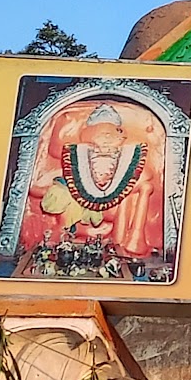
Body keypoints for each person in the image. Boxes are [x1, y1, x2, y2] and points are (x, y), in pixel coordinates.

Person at [20, 98, 167, 268]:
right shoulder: (75, 158)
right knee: (61, 194)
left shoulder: (127, 160)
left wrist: (131, 187)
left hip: (114, 208)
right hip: (77, 209)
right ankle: (66, 234)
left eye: (112, 136)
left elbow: (146, 177)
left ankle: (126, 241)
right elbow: (39, 184)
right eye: (103, 136)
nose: (106, 143)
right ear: (88, 137)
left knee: (142, 189)